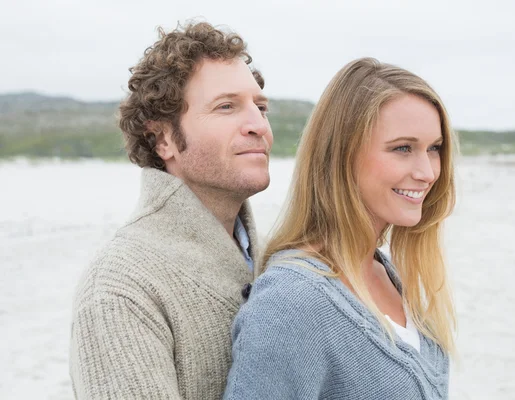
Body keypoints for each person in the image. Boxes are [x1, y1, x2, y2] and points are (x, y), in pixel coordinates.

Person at [224, 57, 457, 399]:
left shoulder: (387, 274)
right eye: (403, 148)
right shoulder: (292, 303)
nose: (427, 172)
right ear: (342, 154)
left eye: (434, 148)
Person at [69, 21, 272, 399]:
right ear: (163, 138)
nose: (258, 125)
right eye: (227, 107)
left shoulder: (276, 260)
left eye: (261, 107)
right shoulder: (121, 289)